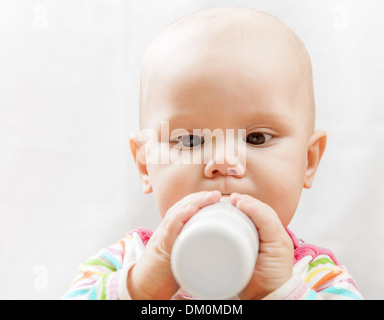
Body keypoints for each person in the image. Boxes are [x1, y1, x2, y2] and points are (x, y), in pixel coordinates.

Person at [62, 7, 363, 300]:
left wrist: (281, 293)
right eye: (190, 140)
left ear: (308, 161)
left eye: (256, 138)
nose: (223, 163)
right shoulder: (124, 262)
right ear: (145, 165)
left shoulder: (318, 278)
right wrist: (141, 290)